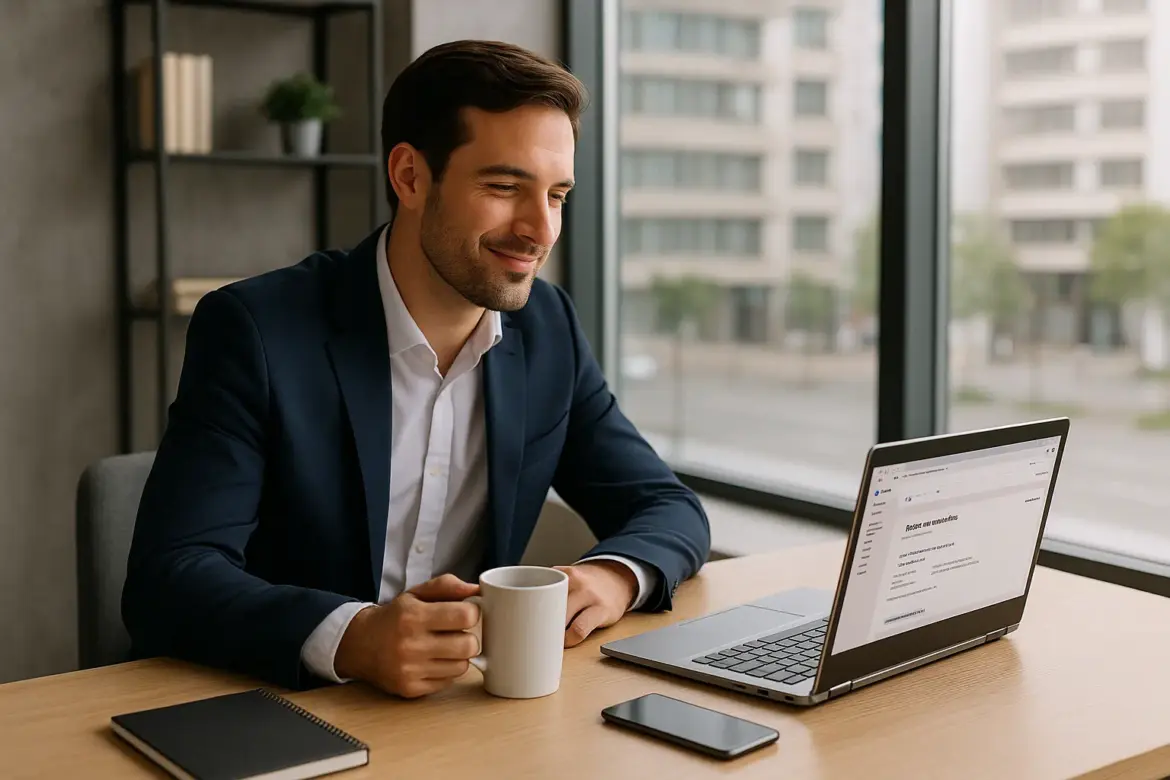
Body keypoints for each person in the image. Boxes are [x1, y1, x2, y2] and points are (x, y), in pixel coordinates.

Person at [121, 39, 710, 699]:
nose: (539, 228)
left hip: (462, 714)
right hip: (279, 704)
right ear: (409, 177)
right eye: (504, 187)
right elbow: (169, 578)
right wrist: (353, 635)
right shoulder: (257, 330)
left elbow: (667, 506)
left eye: (558, 196)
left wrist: (612, 576)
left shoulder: (548, 329)